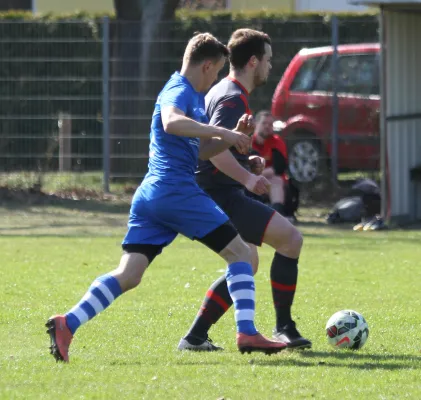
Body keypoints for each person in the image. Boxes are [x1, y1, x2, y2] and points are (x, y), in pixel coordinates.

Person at [45, 33, 287, 362]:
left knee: (129, 274)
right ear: (205, 66)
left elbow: (201, 149)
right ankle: (247, 332)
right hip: (176, 190)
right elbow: (171, 122)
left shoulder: (194, 99)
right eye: (215, 71)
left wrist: (235, 139)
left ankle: (67, 323)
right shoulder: (179, 90)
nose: (215, 78)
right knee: (242, 254)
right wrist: (223, 131)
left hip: (152, 195)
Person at [178, 29, 311, 352]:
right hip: (221, 194)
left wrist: (246, 159)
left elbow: (216, 143)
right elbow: (216, 151)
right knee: (291, 240)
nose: (270, 66)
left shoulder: (222, 90)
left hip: (214, 192)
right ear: (253, 62)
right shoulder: (233, 98)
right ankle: (284, 328)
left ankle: (195, 337)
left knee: (246, 263)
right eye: (267, 60)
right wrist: (247, 178)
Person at [251, 110, 299, 222]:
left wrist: (260, 174)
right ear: (256, 124)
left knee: (276, 180)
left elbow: (279, 167)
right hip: (250, 180)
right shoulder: (248, 142)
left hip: (271, 184)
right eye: (264, 123)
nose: (267, 127)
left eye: (270, 124)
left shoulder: (276, 142)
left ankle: (278, 215)